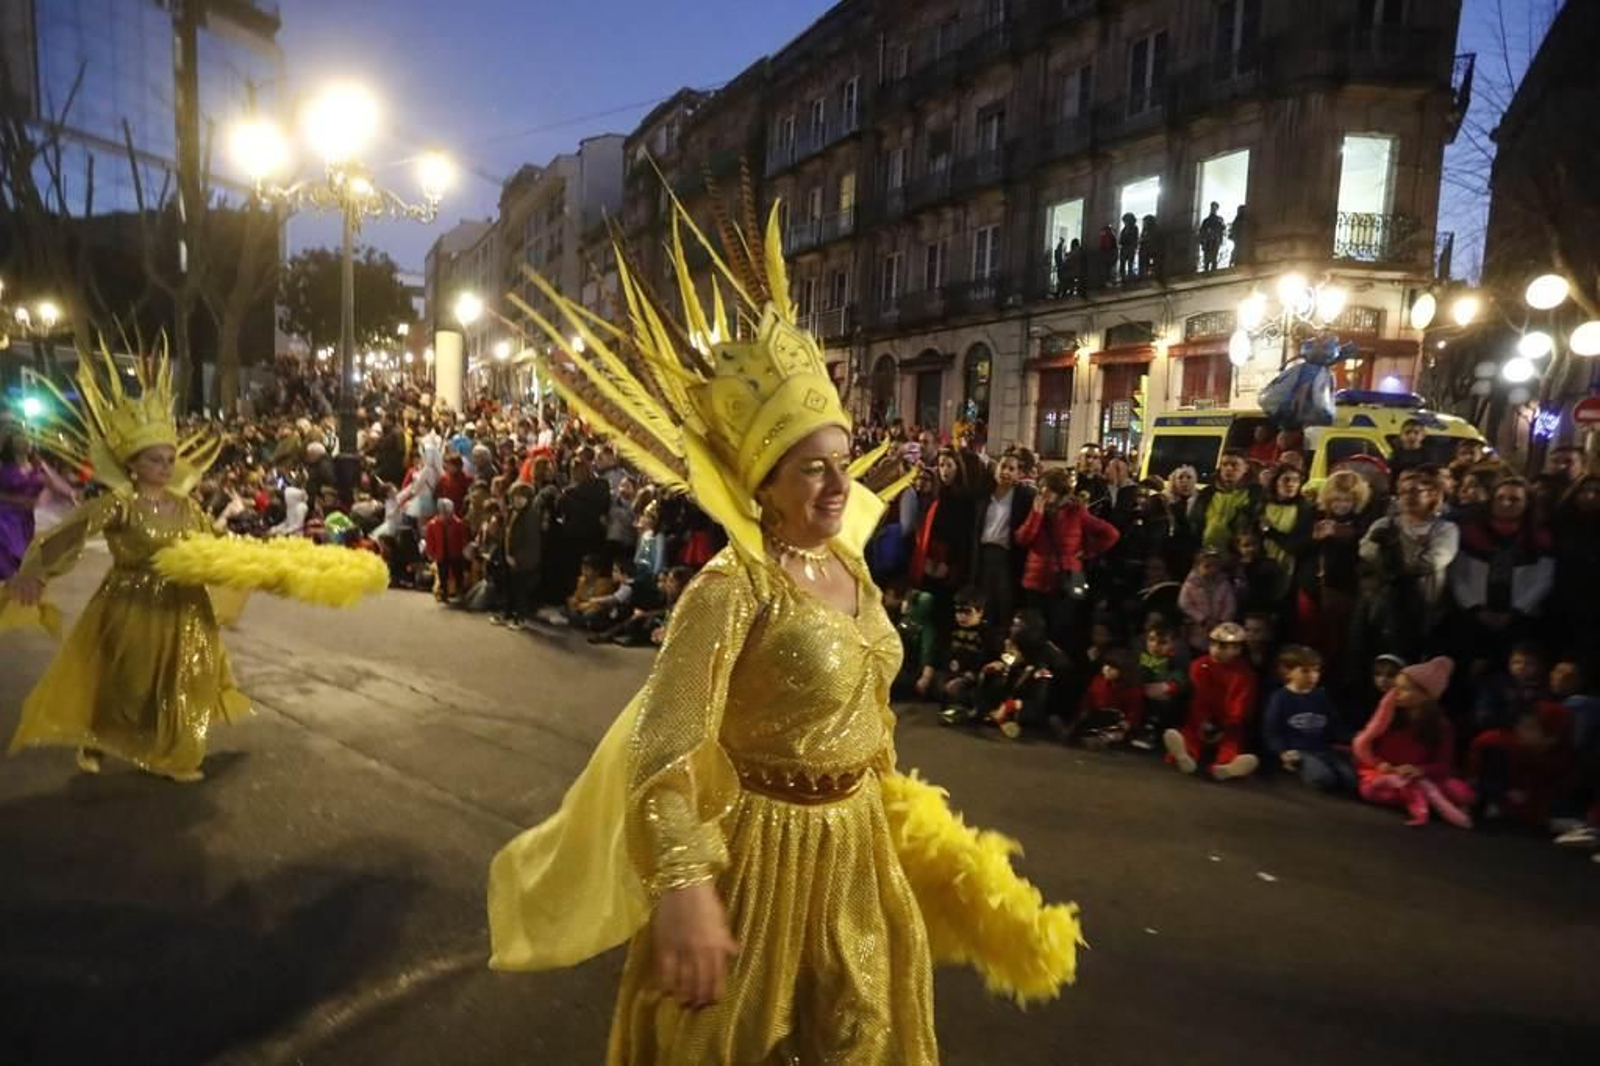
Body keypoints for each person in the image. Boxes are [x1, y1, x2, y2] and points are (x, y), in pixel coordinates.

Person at [488, 202, 1079, 1062]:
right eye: (812, 467)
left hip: (858, 854)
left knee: (862, 1037)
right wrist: (686, 885)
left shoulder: (856, 566)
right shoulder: (730, 590)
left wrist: (911, 831)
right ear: (762, 482)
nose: (839, 484)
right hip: (759, 861)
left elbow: (870, 719)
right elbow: (661, 751)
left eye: (843, 460)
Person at [3, 350, 250, 781]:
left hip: (185, 604)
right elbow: (69, 534)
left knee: (187, 679)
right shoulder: (119, 504)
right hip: (132, 604)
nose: (165, 467)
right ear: (132, 464)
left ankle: (178, 754)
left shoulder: (185, 504)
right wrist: (35, 570)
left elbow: (213, 540)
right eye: (155, 460)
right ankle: (96, 736)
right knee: (128, 684)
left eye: (169, 459)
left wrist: (254, 558)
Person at [1353, 656, 1474, 828]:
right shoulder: (1388, 715)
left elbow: (1444, 765)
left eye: (1404, 689)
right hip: (1390, 775)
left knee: (1462, 793)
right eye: (1396, 687)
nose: (1395, 693)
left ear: (1425, 695)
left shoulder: (1441, 725)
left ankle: (1420, 798)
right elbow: (1368, 746)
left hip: (1423, 778)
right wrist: (1380, 764)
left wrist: (1419, 770)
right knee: (1369, 790)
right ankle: (1423, 800)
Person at [1163, 622, 1260, 780]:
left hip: (1228, 723)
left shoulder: (1245, 674)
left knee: (1231, 743)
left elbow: (1241, 705)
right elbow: (1199, 699)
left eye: (1224, 646)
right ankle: (1184, 756)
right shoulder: (1199, 665)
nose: (1217, 649)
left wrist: (1225, 726)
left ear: (1238, 649)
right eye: (1215, 644)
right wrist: (1203, 722)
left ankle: (1227, 767)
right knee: (1190, 734)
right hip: (1201, 719)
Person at [1264, 646, 1355, 792]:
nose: (1312, 676)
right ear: (1287, 672)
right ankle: (1296, 768)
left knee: (1350, 780)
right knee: (1324, 779)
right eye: (1305, 671)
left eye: (1316, 670)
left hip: (1324, 749)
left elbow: (1334, 724)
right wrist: (1282, 751)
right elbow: (1272, 731)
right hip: (1300, 752)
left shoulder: (1320, 696)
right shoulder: (1280, 698)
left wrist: (1354, 739)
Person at [423, 497, 471, 602]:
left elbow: (463, 538)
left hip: (455, 553)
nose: (446, 514)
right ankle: (443, 592)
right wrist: (431, 552)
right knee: (442, 574)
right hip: (441, 554)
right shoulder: (432, 525)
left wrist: (464, 549)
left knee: (458, 573)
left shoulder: (458, 524)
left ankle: (460, 590)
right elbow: (430, 540)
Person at [1198, 201, 1227, 271]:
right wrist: (1202, 240)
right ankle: (1206, 268)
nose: (1213, 209)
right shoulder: (1206, 220)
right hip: (1207, 240)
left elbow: (1223, 228)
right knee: (1207, 257)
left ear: (1217, 209)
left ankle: (1213, 269)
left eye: (1215, 207)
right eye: (1212, 207)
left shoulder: (1219, 219)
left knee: (1214, 256)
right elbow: (1202, 230)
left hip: (1215, 239)